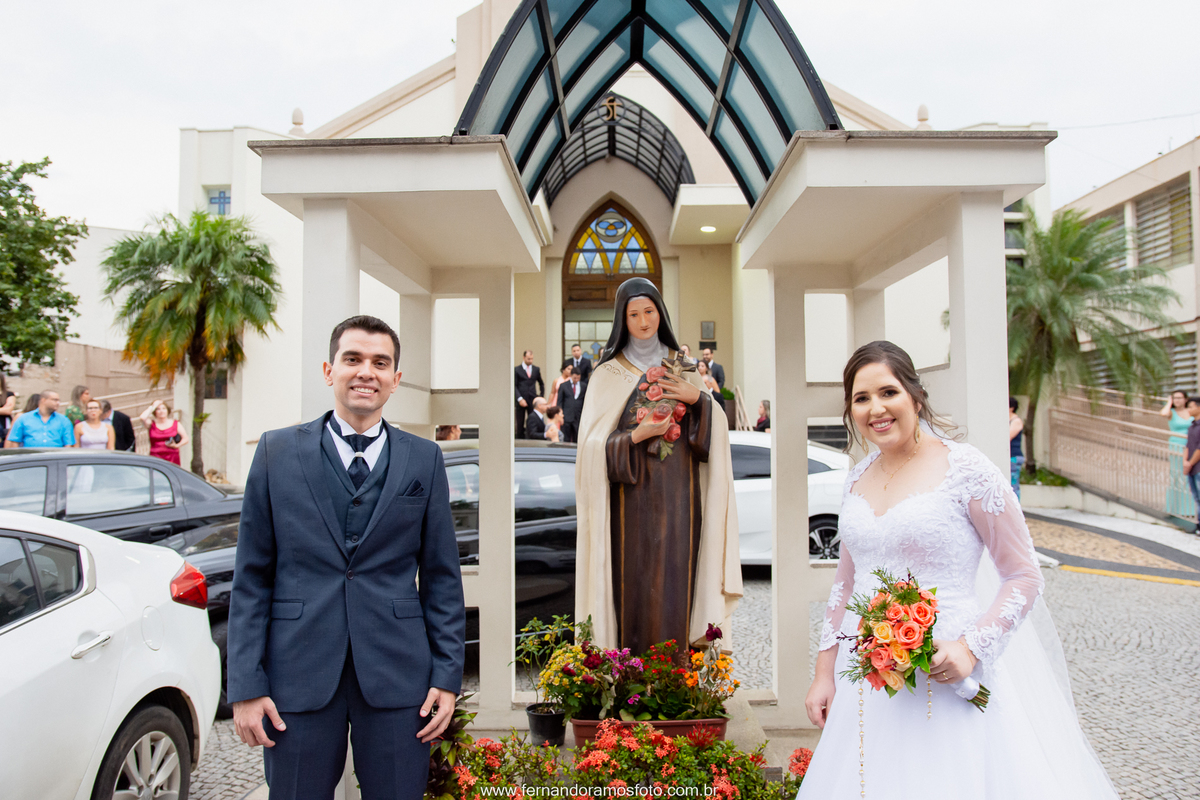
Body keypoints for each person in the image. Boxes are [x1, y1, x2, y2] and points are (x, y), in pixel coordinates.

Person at [800, 340, 1118, 799]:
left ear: (915, 395)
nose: (876, 409)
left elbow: (1024, 576)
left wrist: (971, 647)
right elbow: (846, 584)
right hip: (868, 676)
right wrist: (824, 671)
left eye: (887, 392)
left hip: (950, 670)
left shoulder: (967, 470)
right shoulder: (858, 476)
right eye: (861, 398)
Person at [228, 315, 465, 800]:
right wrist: (246, 686)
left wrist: (446, 676)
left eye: (381, 363)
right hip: (298, 671)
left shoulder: (424, 458)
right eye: (353, 359)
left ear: (395, 379)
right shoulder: (276, 452)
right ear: (328, 370)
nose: (366, 372)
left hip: (400, 677)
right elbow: (252, 577)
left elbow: (442, 576)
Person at [575, 277, 742, 657]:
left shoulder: (682, 367)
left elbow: (711, 438)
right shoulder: (606, 374)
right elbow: (589, 451)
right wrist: (637, 436)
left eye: (649, 311)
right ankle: (629, 672)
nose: (643, 321)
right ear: (623, 320)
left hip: (680, 498)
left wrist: (698, 399)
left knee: (675, 579)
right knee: (634, 581)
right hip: (627, 505)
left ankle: (678, 670)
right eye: (633, 314)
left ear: (660, 313)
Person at [4, 390, 74, 448]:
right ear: (43, 400)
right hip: (30, 460)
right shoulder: (24, 419)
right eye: (55, 400)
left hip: (55, 460)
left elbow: (68, 444)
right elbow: (15, 441)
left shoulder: (64, 420)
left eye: (58, 400)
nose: (58, 403)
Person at [1162, 389, 1193, 516]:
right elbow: (1163, 413)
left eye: (1180, 398)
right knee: (1177, 475)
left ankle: (1189, 510)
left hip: (1191, 445)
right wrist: (1169, 402)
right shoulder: (1171, 412)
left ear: (1186, 399)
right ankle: (1174, 508)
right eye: (1175, 398)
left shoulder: (1191, 410)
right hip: (1177, 445)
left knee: (1190, 475)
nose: (1177, 400)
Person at [141, 400, 188, 466]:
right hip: (155, 456)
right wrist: (152, 406)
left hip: (172, 456)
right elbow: (143, 417)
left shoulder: (175, 423)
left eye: (164, 408)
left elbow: (186, 439)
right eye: (158, 409)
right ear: (155, 412)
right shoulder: (151, 424)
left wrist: (177, 445)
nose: (161, 411)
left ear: (167, 410)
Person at [514, 350, 544, 439]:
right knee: (520, 422)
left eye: (532, 359)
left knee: (532, 420)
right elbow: (514, 385)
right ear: (524, 358)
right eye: (528, 359)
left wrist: (540, 396)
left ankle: (531, 439)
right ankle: (519, 440)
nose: (530, 360)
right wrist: (519, 398)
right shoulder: (517, 370)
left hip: (532, 399)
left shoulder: (536, 369)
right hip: (521, 399)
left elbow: (541, 383)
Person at [1182, 396, 1200, 533]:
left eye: (1191, 406)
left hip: (1197, 467)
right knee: (1196, 497)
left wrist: (1189, 463)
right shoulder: (1192, 426)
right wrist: (1185, 462)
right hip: (1192, 468)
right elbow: (1188, 446)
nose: (1188, 409)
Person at [555, 366, 585, 443]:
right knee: (566, 438)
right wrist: (560, 415)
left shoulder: (583, 386)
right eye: (575, 378)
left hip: (578, 417)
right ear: (571, 376)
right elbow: (559, 401)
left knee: (577, 438)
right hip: (566, 416)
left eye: (578, 378)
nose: (576, 380)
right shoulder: (564, 386)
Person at [1009, 397, 1025, 500]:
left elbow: (1008, 436)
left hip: (1014, 456)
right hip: (1010, 456)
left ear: (1011, 408)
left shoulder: (1016, 421)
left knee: (1013, 485)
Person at [0, 375, 15, 444]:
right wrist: (3, 409)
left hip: (4, 426)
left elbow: (8, 410)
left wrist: (5, 409)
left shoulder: (8, 394)